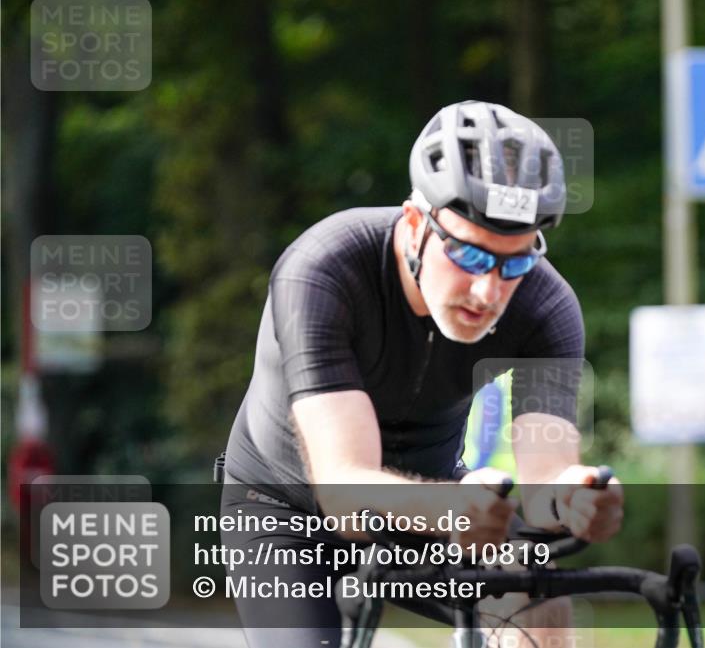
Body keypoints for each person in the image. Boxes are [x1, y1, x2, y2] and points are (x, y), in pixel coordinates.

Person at [220, 100, 624, 647]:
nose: (489, 292)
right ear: (415, 225)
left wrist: (573, 498)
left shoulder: (545, 307)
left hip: (432, 504)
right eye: (472, 257)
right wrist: (453, 508)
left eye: (516, 262)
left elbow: (545, 480)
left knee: (535, 589)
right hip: (286, 508)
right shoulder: (324, 269)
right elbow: (341, 487)